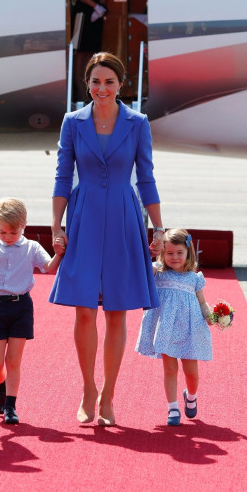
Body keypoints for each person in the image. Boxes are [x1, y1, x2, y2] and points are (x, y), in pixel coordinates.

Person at [49, 52, 165, 426]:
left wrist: (159, 228)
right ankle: (87, 388)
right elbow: (62, 175)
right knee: (84, 309)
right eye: (96, 82)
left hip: (123, 216)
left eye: (109, 82)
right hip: (83, 216)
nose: (102, 89)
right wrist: (56, 225)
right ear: (88, 83)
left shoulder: (138, 123)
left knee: (116, 310)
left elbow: (145, 177)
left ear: (121, 85)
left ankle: (109, 395)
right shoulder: (72, 121)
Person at [0, 198, 63, 424]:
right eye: (3, 232)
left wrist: (58, 254)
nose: (8, 237)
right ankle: (1, 387)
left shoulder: (31, 247)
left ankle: (11, 406)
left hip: (21, 306)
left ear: (24, 226)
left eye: (13, 232)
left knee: (14, 360)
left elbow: (48, 268)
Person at [135, 229, 214, 426]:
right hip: (166, 329)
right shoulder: (158, 272)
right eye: (169, 253)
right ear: (163, 254)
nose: (175, 257)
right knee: (170, 369)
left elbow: (202, 302)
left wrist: (211, 316)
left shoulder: (195, 278)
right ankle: (172, 407)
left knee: (191, 372)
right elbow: (142, 267)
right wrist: (152, 251)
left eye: (179, 252)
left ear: (188, 253)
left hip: (189, 329)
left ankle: (192, 396)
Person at [70, 0, 110, 101]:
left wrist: (100, 7)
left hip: (96, 16)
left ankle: (91, 91)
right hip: (81, 16)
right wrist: (95, 6)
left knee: (92, 55)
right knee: (79, 53)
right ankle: (81, 94)